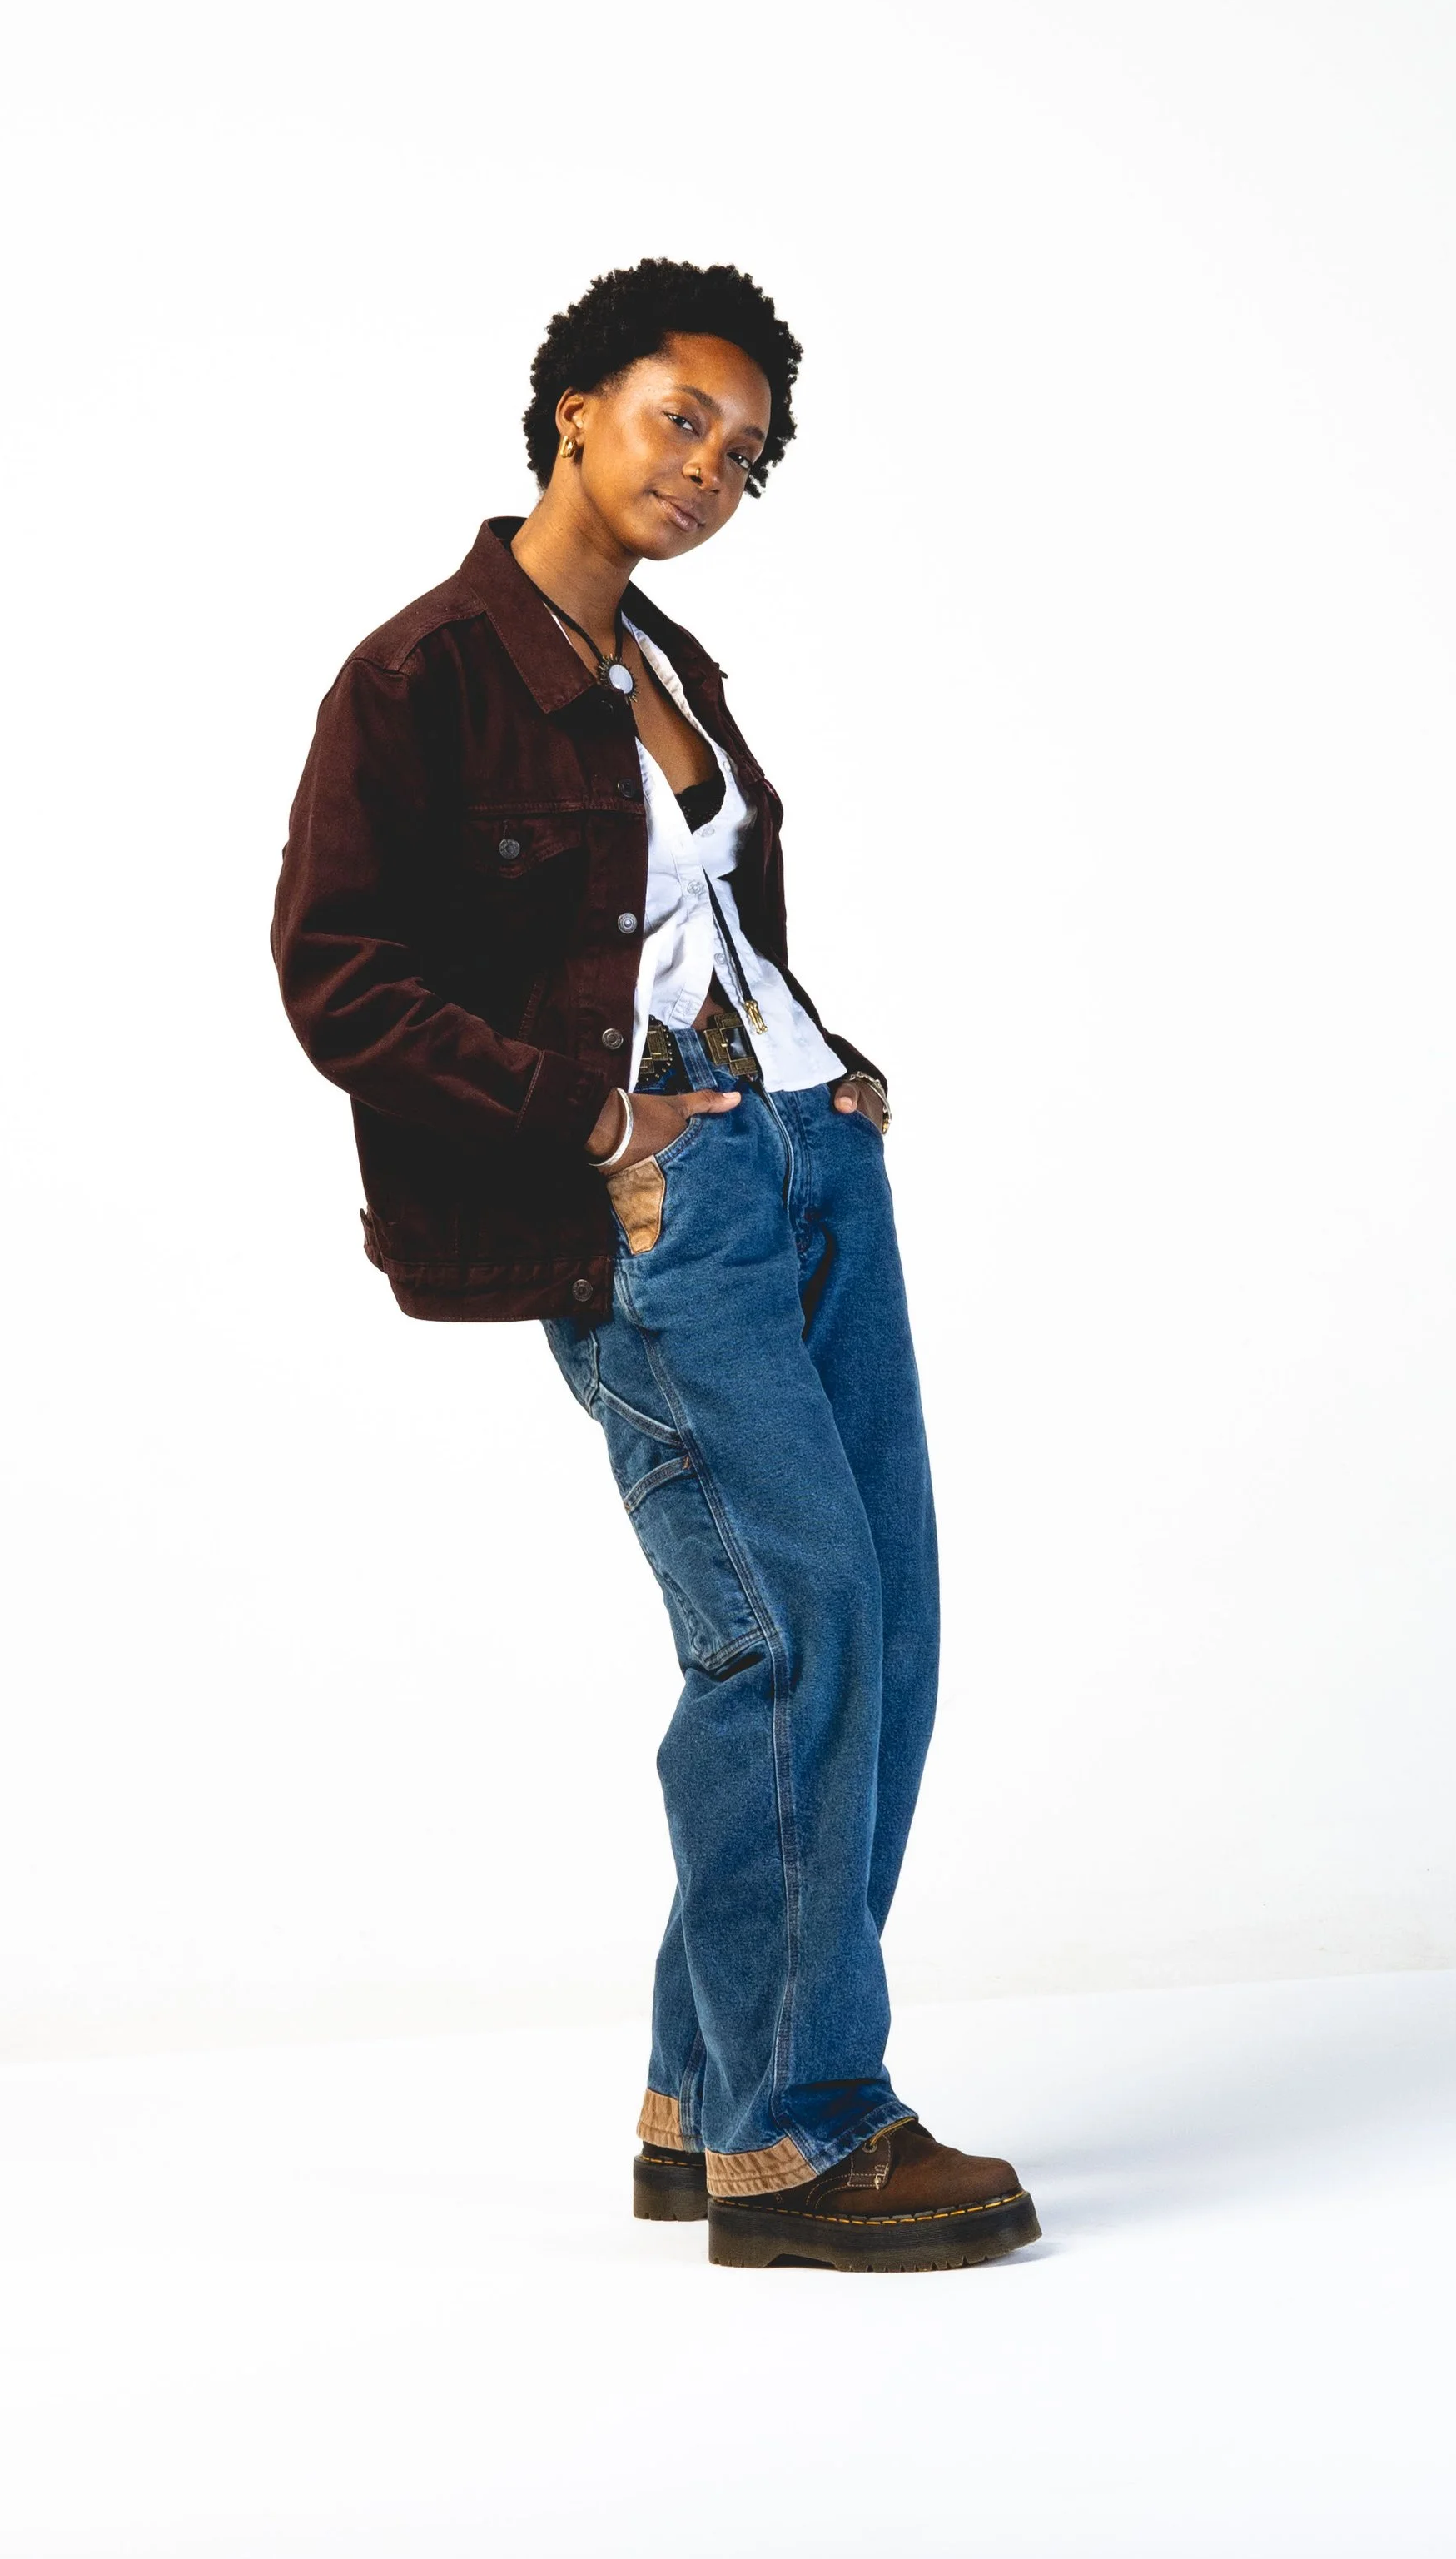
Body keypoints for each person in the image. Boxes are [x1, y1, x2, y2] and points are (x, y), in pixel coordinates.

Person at [273, 257, 1037, 2272]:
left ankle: (701, 2094)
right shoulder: (421, 674)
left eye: (743, 451)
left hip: (799, 1158)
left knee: (882, 1624)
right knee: (789, 1626)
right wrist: (594, 1123)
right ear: (574, 411)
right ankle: (801, 2137)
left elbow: (693, 923)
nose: (706, 466)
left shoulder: (668, 658)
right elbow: (340, 977)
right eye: (678, 416)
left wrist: (826, 1061)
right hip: (646, 1207)